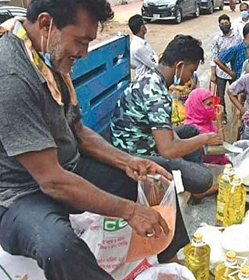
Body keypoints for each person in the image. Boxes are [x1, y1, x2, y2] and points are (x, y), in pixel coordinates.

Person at [0, 0, 189, 278]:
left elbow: (79, 132)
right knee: (59, 246)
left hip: (67, 169)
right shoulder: (12, 75)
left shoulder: (49, 55)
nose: (84, 53)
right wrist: (130, 211)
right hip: (21, 194)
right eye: (81, 41)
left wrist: (128, 161)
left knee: (153, 180)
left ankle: (172, 266)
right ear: (45, 23)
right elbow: (51, 180)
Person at [111, 35, 221, 198]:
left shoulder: (150, 77)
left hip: (142, 137)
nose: (190, 78)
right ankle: (192, 182)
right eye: (191, 71)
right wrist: (204, 139)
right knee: (203, 179)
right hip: (134, 154)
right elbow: (168, 150)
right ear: (180, 66)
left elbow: (164, 128)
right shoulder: (157, 94)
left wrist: (180, 141)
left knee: (190, 130)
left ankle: (187, 173)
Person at [211, 14, 242, 123]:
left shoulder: (237, 37)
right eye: (222, 24)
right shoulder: (217, 39)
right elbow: (214, 57)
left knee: (237, 93)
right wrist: (213, 73)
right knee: (220, 95)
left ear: (230, 23)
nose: (224, 25)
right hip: (221, 73)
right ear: (219, 25)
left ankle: (238, 113)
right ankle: (223, 116)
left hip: (235, 71)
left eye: (226, 23)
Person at [184, 88, 227, 164]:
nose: (212, 107)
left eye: (212, 104)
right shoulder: (192, 129)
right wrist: (219, 122)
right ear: (197, 106)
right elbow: (221, 148)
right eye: (208, 104)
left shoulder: (206, 122)